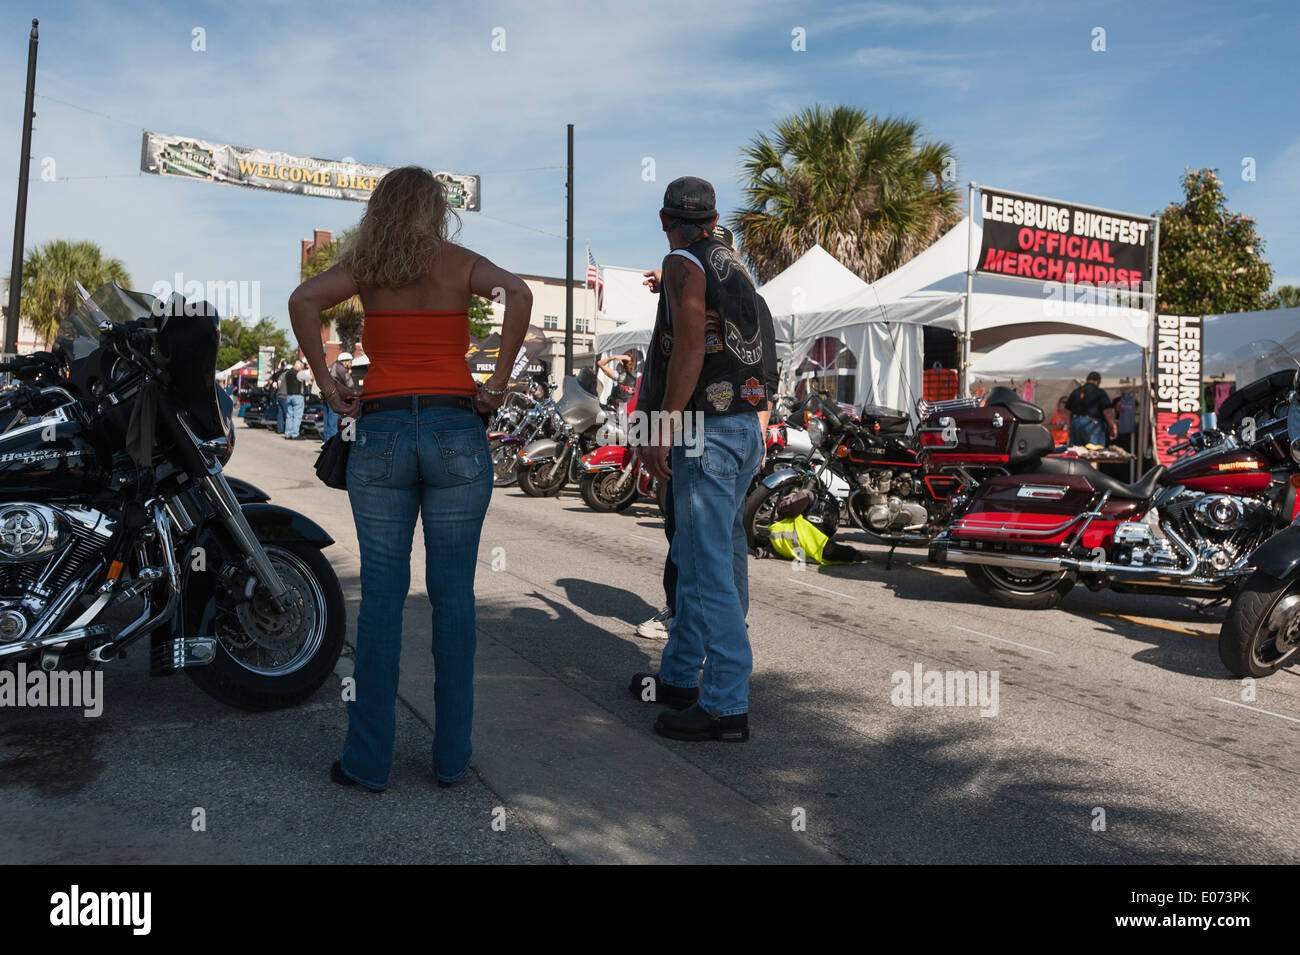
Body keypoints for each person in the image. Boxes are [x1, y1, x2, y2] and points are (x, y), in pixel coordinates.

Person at [289, 165, 531, 792]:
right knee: (453, 599)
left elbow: (303, 300)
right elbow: (520, 293)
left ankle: (368, 762)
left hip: (384, 429)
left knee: (382, 598)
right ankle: (451, 760)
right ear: (434, 210)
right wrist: (496, 385)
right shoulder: (458, 262)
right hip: (456, 429)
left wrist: (326, 381)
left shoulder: (370, 266)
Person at [630, 176, 769, 744]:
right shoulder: (737, 269)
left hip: (703, 431)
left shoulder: (684, 264)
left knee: (706, 565)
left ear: (666, 220)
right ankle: (682, 676)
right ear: (713, 219)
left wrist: (657, 426)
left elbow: (686, 350)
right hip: (741, 428)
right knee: (703, 554)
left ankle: (725, 703)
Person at [635, 223, 777, 642]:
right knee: (697, 534)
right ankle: (693, 640)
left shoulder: (742, 299)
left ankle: (718, 638)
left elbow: (762, 377)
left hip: (705, 429)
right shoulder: (695, 293)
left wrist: (758, 436)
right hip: (702, 429)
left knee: (705, 543)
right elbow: (661, 366)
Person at [1066, 371, 1117, 447]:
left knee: (1076, 452)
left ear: (1087, 380)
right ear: (1098, 381)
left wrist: (1069, 426)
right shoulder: (1099, 392)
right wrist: (1113, 426)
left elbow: (1068, 411)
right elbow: (1107, 412)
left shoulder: (1075, 392)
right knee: (1094, 452)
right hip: (1092, 424)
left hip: (1076, 423)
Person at [322, 351, 355, 442]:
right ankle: (332, 443)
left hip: (326, 396)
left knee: (327, 422)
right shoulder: (341, 369)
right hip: (334, 397)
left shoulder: (331, 366)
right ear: (345, 361)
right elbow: (350, 384)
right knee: (333, 422)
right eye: (350, 361)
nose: (351, 364)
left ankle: (326, 441)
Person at [283, 360, 308, 439]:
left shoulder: (287, 373)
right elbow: (310, 378)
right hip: (298, 396)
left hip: (289, 395)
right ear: (299, 367)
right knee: (297, 416)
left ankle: (288, 433)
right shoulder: (299, 373)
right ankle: (295, 434)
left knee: (289, 416)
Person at [271, 360, 290, 434]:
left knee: (280, 414)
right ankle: (287, 430)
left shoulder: (279, 375)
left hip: (278, 396)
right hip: (285, 396)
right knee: (287, 414)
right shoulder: (287, 376)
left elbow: (275, 385)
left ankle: (280, 429)